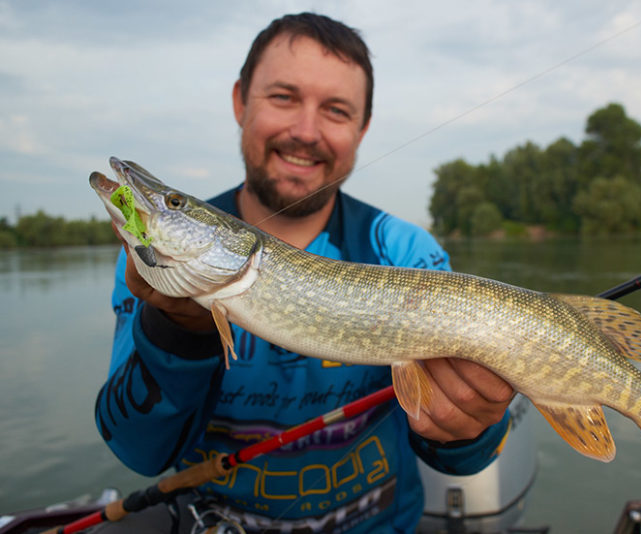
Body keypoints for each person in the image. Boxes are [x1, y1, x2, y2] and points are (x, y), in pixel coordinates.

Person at [95, 12, 514, 534]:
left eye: (336, 110)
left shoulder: (405, 253)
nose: (305, 131)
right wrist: (176, 332)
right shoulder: (150, 268)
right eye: (283, 97)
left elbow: (462, 463)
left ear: (361, 129)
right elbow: (139, 451)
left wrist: (466, 426)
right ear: (240, 102)